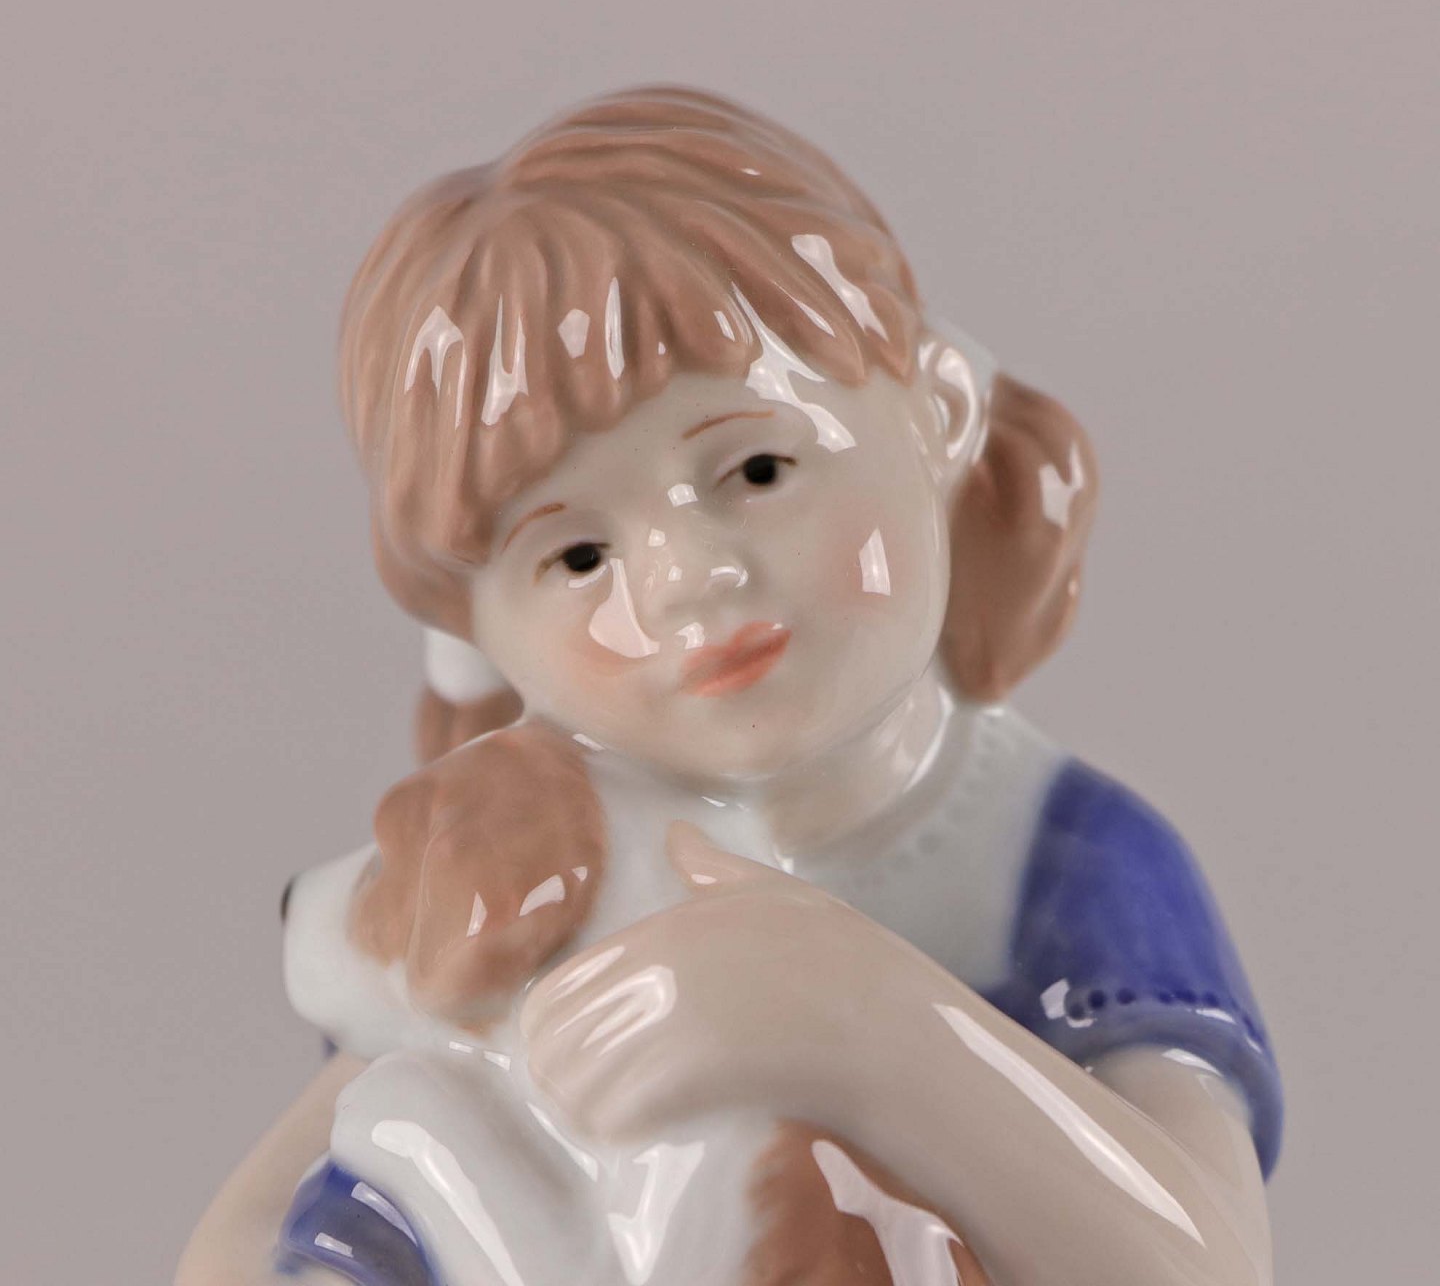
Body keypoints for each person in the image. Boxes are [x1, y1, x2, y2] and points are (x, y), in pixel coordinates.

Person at [177, 88, 1280, 1286]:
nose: (688, 579)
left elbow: (1206, 1265)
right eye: (579, 558)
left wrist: (868, 1024)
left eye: (756, 469)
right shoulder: (537, 877)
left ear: (938, 411)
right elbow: (238, 1249)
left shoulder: (1053, 861)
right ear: (479, 631)